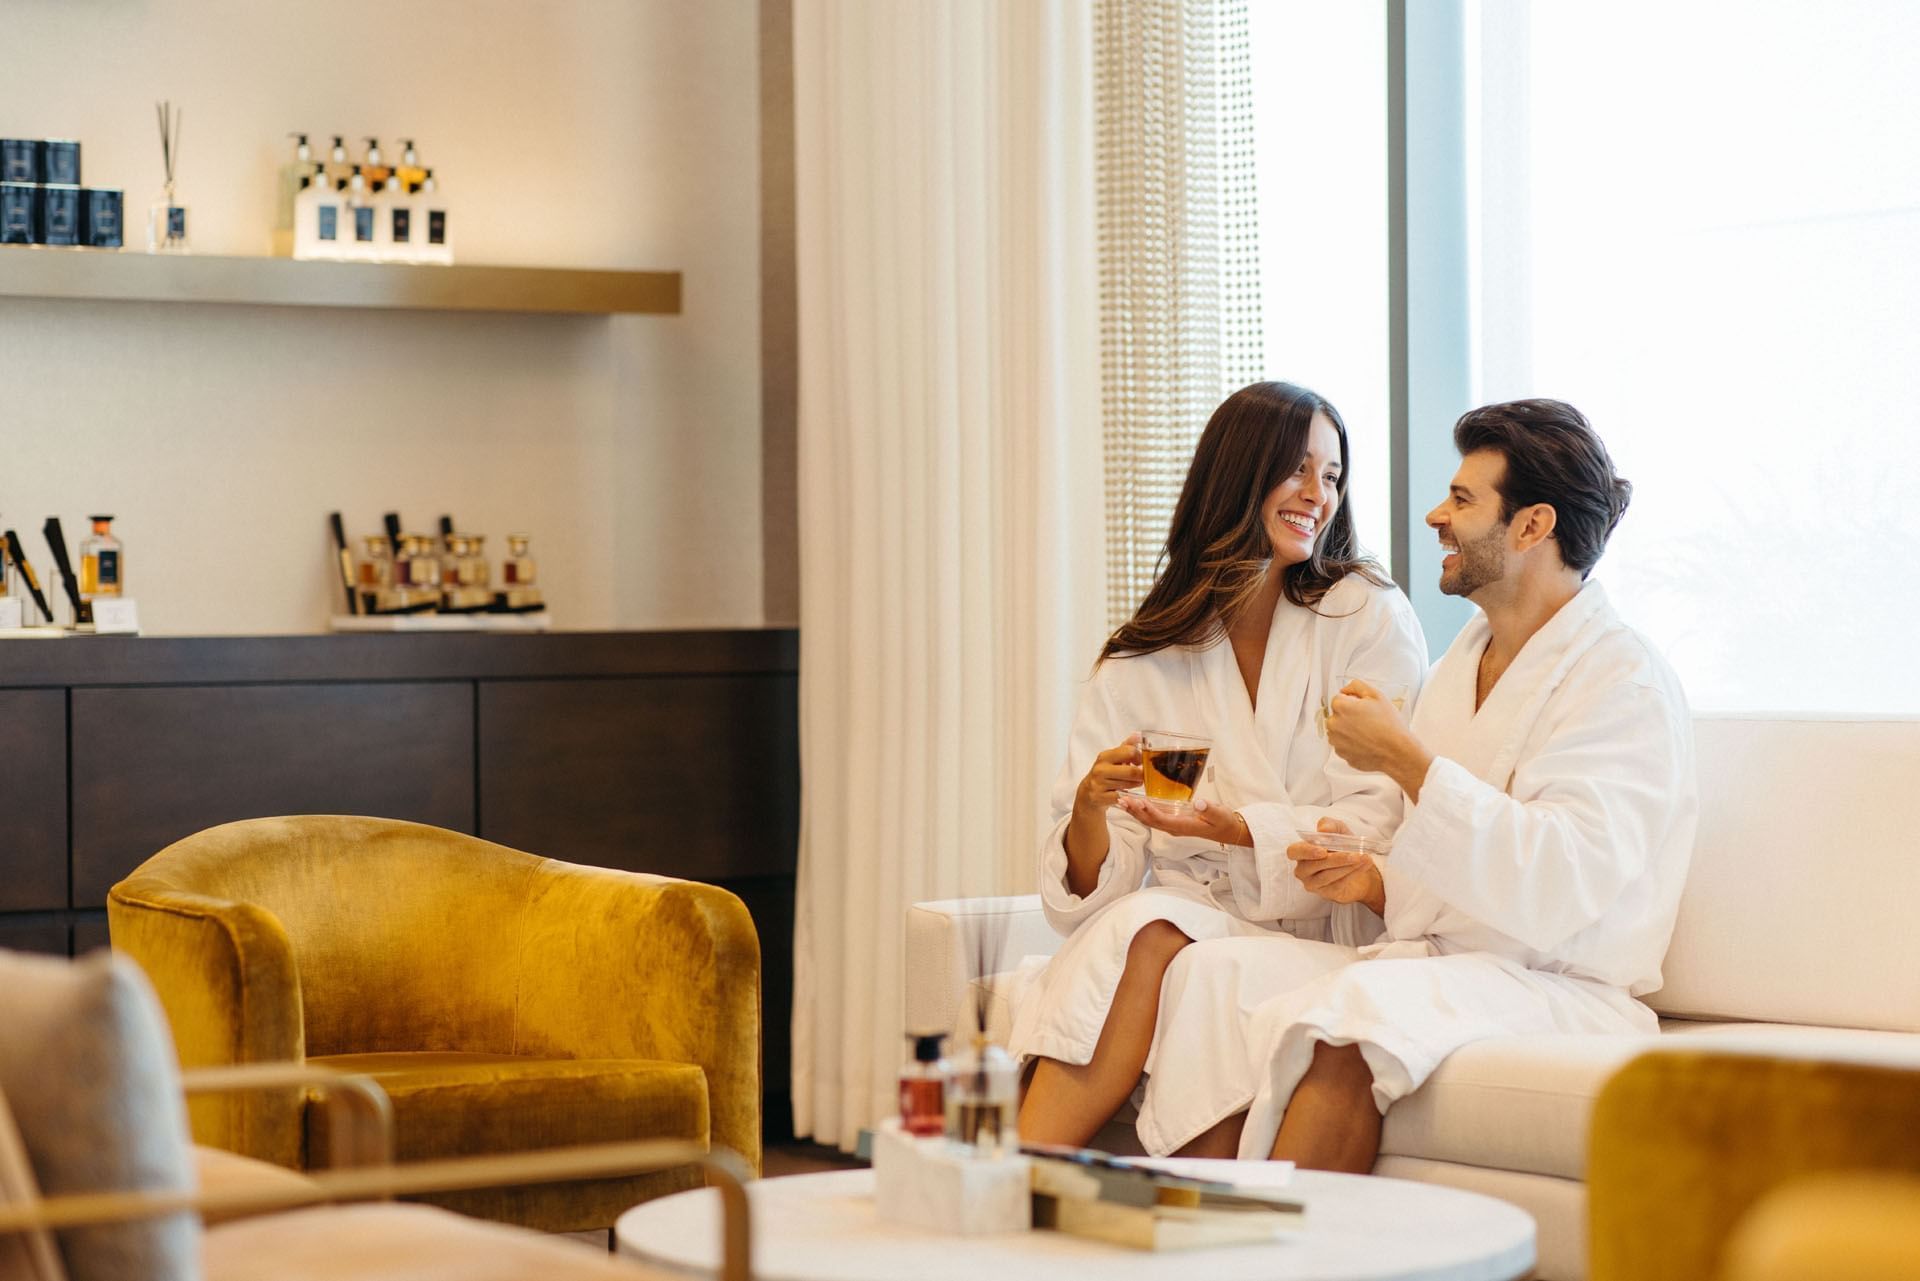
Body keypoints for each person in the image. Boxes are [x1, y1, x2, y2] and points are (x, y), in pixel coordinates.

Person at [1143, 397, 1698, 1169]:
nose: (1436, 515)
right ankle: (1203, 1240)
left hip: (1560, 987)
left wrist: (1406, 760)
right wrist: (1369, 878)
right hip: (1451, 963)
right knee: (1211, 972)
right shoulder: (1459, 666)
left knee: (1350, 1022)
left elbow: (1562, 884)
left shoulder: (1621, 680)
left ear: (1532, 526)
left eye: (1464, 499)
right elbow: (1432, 867)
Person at [1009, 380, 1428, 1152]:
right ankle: (1022, 1189)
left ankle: (1009, 1176)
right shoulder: (1147, 654)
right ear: (1239, 471)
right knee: (1148, 925)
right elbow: (1087, 891)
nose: (1317, 494)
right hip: (1194, 918)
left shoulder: (1363, 615)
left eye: (1332, 476)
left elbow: (1380, 815)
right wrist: (1091, 812)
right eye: (1297, 469)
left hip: (1327, 923)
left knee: (1153, 931)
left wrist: (1236, 829)